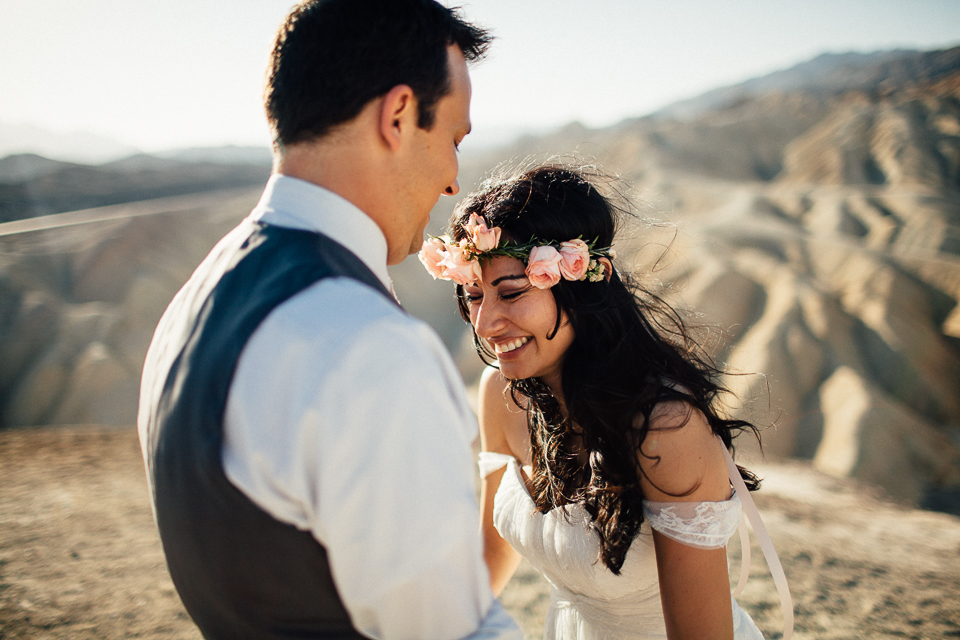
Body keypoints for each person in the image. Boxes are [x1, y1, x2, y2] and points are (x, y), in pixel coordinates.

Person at [137, 1, 522, 639]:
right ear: (398, 116)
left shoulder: (196, 297)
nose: (455, 181)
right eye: (454, 139)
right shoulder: (365, 346)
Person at [419, 163, 792, 640]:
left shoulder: (664, 428)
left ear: (581, 281)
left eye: (511, 293)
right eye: (473, 295)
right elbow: (491, 558)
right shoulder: (500, 395)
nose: (485, 323)